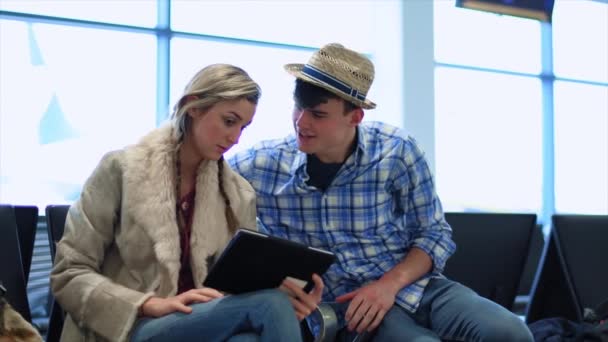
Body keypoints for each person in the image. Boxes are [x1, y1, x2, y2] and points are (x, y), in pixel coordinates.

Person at [229, 44, 534, 342]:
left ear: (355, 117)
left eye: (318, 115)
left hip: (416, 286)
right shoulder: (261, 164)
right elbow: (198, 171)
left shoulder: (396, 151)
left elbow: (434, 234)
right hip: (350, 306)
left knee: (512, 332)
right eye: (298, 107)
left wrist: (389, 285)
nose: (301, 123)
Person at [50, 64, 323, 342]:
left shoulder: (237, 194)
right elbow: (69, 273)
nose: (236, 137)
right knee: (269, 305)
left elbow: (240, 287)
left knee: (256, 330)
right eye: (229, 121)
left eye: (243, 126)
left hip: (199, 323)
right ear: (193, 106)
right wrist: (147, 304)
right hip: (129, 326)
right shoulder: (121, 170)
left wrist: (290, 304)